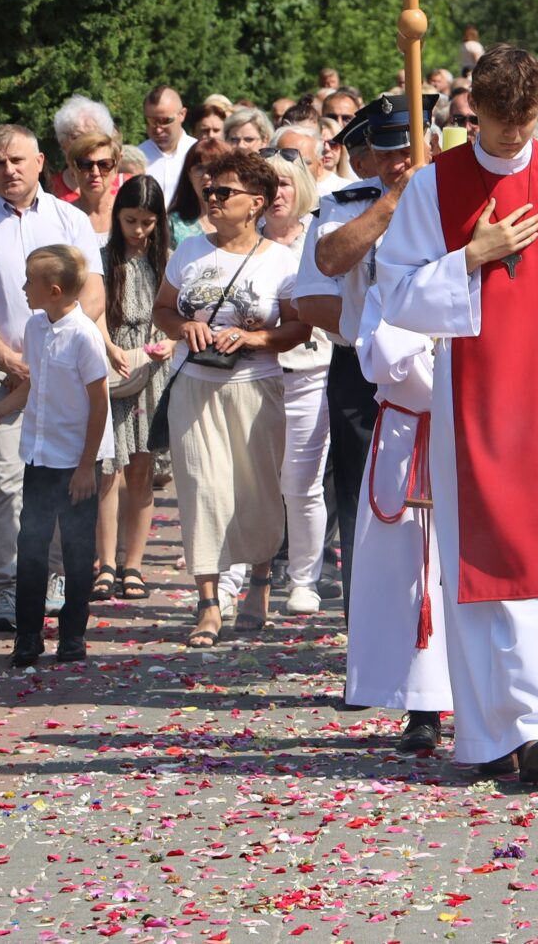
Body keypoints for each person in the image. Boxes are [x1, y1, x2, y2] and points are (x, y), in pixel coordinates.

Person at [374, 45, 538, 784]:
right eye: (499, 123)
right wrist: (471, 255)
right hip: (476, 400)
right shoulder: (435, 185)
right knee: (486, 566)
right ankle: (496, 735)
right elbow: (396, 293)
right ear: (474, 110)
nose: (512, 136)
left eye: (525, 121)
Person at [156, 149, 310, 647]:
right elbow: (163, 310)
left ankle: (259, 584)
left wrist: (252, 338)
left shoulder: (281, 261)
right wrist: (185, 327)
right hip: (193, 384)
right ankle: (208, 603)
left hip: (255, 387)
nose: (212, 197)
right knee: (202, 489)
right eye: (209, 190)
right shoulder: (188, 251)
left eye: (224, 191)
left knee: (255, 492)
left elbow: (298, 328)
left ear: (256, 202)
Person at [0, 125, 105, 634]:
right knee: (3, 483)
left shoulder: (71, 220)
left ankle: (57, 578)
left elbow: (93, 294)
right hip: (4, 374)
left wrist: (55, 349)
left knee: (62, 481)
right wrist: (7, 354)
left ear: (40, 161)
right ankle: (5, 587)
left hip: (64, 376)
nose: (9, 170)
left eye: (18, 160)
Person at [291, 95, 425, 613]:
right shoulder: (346, 204)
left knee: (435, 494)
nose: (399, 163)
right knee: (361, 499)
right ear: (367, 158)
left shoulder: (450, 199)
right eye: (387, 154)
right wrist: (391, 203)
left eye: (408, 151)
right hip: (364, 370)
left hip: (438, 365)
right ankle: (365, 626)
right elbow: (327, 264)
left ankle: (430, 623)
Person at [344, 289, 451, 753]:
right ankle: (423, 707)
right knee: (413, 577)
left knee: (465, 574)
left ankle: (484, 702)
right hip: (407, 437)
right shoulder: (390, 288)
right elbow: (381, 360)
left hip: (468, 436)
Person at [10, 245, 110, 667]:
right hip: (39, 455)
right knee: (31, 544)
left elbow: (99, 402)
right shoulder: (35, 327)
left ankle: (73, 635)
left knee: (76, 549)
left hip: (76, 460)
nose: (23, 288)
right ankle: (28, 635)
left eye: (29, 282)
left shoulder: (84, 335)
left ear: (53, 290)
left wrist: (86, 466)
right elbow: (31, 384)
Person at [92, 176, 172, 602]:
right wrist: (110, 348)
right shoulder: (103, 260)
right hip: (113, 365)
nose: (138, 230)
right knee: (108, 469)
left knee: (142, 469)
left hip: (152, 368)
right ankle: (106, 562)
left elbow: (181, 315)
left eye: (147, 222)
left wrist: (170, 342)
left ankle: (133, 564)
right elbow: (90, 313)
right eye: (130, 221)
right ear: (116, 217)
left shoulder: (168, 261)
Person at [267, 151, 335, 616]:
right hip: (255, 372)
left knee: (302, 483)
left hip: (311, 372)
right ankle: (236, 578)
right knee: (251, 481)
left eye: (285, 183)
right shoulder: (244, 240)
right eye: (267, 184)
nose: (276, 194)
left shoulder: (321, 234)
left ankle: (303, 580)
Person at [65, 128, 127, 242]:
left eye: (104, 164)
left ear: (116, 167)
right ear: (73, 169)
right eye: (85, 164)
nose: (95, 172)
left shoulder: (129, 214)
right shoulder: (64, 216)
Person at [140, 86, 192, 201]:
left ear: (182, 114)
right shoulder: (138, 157)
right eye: (150, 121)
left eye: (165, 121)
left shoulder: (198, 153)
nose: (158, 130)